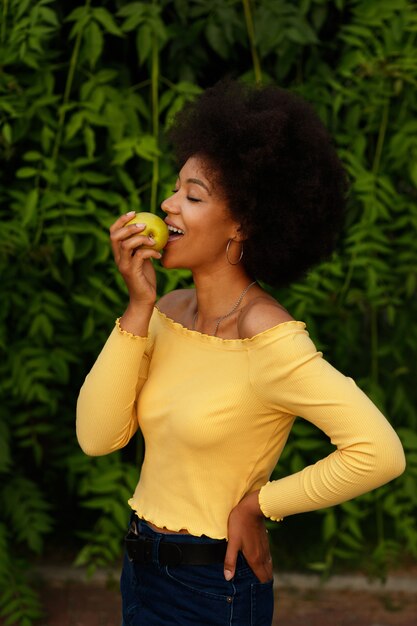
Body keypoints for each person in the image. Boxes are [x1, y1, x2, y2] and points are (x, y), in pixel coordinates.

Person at [76, 79, 406, 626]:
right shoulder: (166, 312)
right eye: (175, 188)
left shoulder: (270, 340)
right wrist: (137, 307)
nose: (167, 203)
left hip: (214, 589)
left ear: (242, 227)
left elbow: (379, 451)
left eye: (193, 195)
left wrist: (261, 505)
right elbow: (97, 436)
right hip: (140, 571)